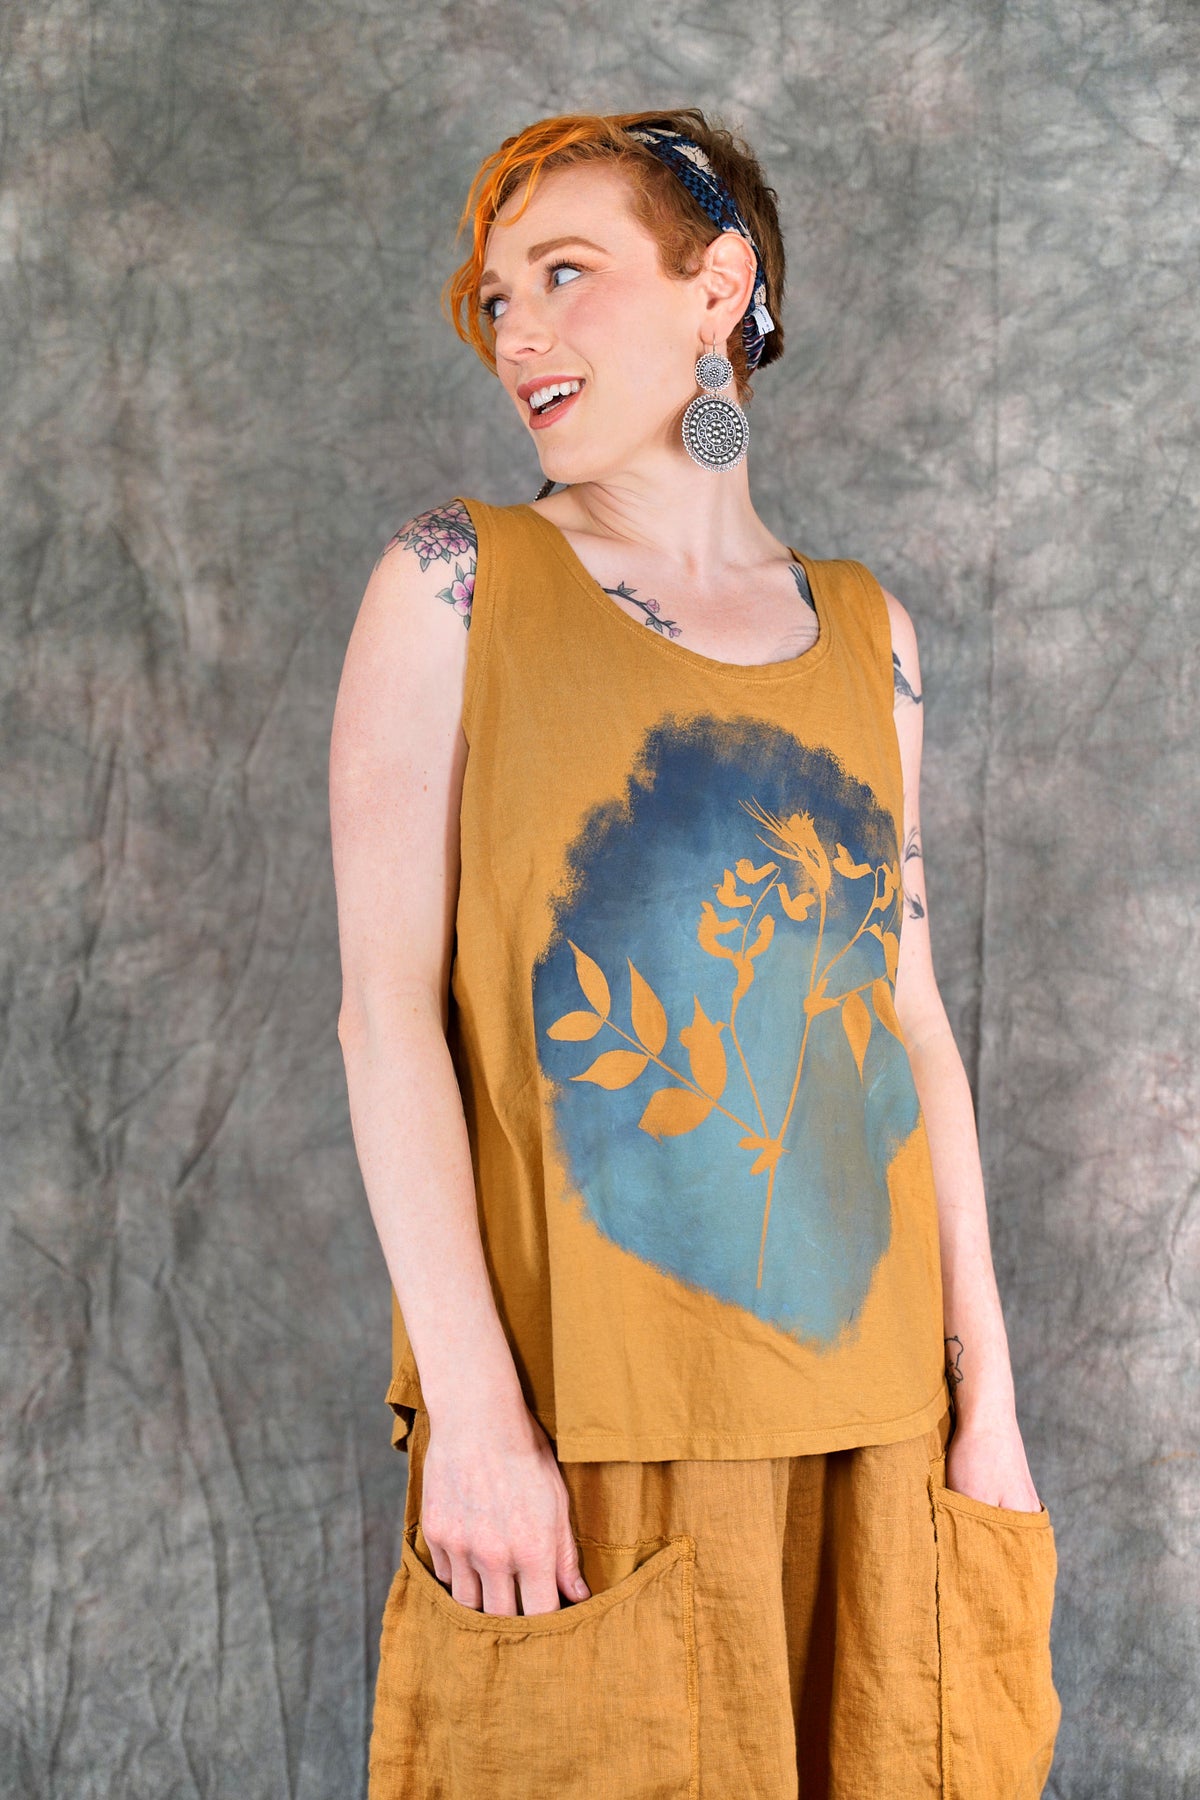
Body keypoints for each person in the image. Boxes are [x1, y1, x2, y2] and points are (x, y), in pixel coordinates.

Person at [330, 107, 1062, 1800]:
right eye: (497, 297)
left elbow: (911, 1028)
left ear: (717, 287)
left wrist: (992, 1409)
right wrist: (478, 1422)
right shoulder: (454, 586)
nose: (517, 332)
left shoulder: (871, 635)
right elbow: (385, 1019)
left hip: (879, 1424)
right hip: (595, 1425)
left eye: (565, 273)